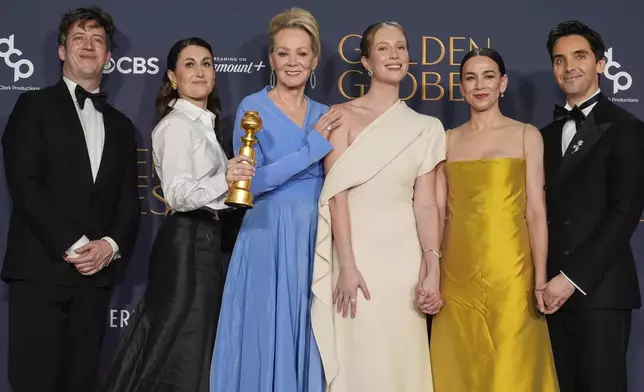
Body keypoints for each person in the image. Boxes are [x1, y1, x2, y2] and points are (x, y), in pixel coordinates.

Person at [98, 37, 251, 392]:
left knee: (193, 344)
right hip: (187, 243)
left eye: (207, 63)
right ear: (172, 76)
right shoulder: (176, 126)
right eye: (189, 64)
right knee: (178, 343)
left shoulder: (204, 125)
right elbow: (179, 196)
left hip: (205, 241)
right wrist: (225, 178)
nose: (200, 71)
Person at [0, 6, 140, 392]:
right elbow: (24, 184)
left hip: (94, 282)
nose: (89, 46)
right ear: (62, 51)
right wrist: (77, 246)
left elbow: (129, 201)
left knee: (82, 382)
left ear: (108, 57)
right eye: (79, 38)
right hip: (40, 272)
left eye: (98, 40)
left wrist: (109, 247)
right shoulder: (32, 106)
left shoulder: (123, 126)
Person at [210, 7, 341, 392]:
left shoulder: (325, 115)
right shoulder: (253, 108)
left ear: (314, 59)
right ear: (271, 58)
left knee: (307, 329)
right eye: (284, 53)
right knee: (265, 328)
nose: (292, 62)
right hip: (266, 235)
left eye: (302, 53)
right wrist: (311, 150)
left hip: (314, 239)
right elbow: (253, 182)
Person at [311, 21, 445, 392]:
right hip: (358, 258)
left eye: (400, 48)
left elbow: (427, 204)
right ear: (367, 62)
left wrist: (432, 267)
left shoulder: (426, 127)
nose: (394, 55)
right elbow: (336, 196)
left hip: (405, 260)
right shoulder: (341, 116)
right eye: (384, 48)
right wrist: (347, 264)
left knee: (403, 358)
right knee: (361, 358)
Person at [425, 47, 559, 392]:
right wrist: (431, 271)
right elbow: (439, 211)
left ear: (503, 83)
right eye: (470, 77)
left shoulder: (526, 135)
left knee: (512, 366)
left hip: (513, 274)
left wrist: (540, 277)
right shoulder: (448, 139)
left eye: (488, 76)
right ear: (461, 86)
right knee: (461, 365)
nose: (479, 84)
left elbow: (536, 211)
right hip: (457, 276)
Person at [540, 20, 644, 392]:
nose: (569, 67)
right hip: (546, 295)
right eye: (559, 59)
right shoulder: (544, 135)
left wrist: (569, 280)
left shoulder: (627, 127)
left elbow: (624, 213)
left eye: (579, 56)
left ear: (600, 64)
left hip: (597, 290)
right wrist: (544, 281)